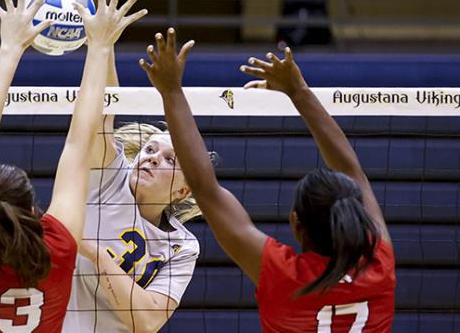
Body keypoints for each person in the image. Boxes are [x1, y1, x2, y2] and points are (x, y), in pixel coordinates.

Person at [140, 28, 396, 332]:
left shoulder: (285, 275)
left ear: (296, 224)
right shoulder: (378, 264)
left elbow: (206, 191)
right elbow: (354, 174)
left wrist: (171, 91)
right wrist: (298, 90)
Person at [0, 0, 146, 333]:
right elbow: (79, 144)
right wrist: (100, 47)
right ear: (33, 210)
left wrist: (9, 48)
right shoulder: (56, 250)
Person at [62, 0, 200, 333]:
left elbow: (149, 320)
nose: (152, 159)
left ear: (184, 190)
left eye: (169, 159)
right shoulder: (111, 176)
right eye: (150, 150)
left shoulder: (183, 246)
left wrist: (96, 255)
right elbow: (100, 115)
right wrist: (103, 44)